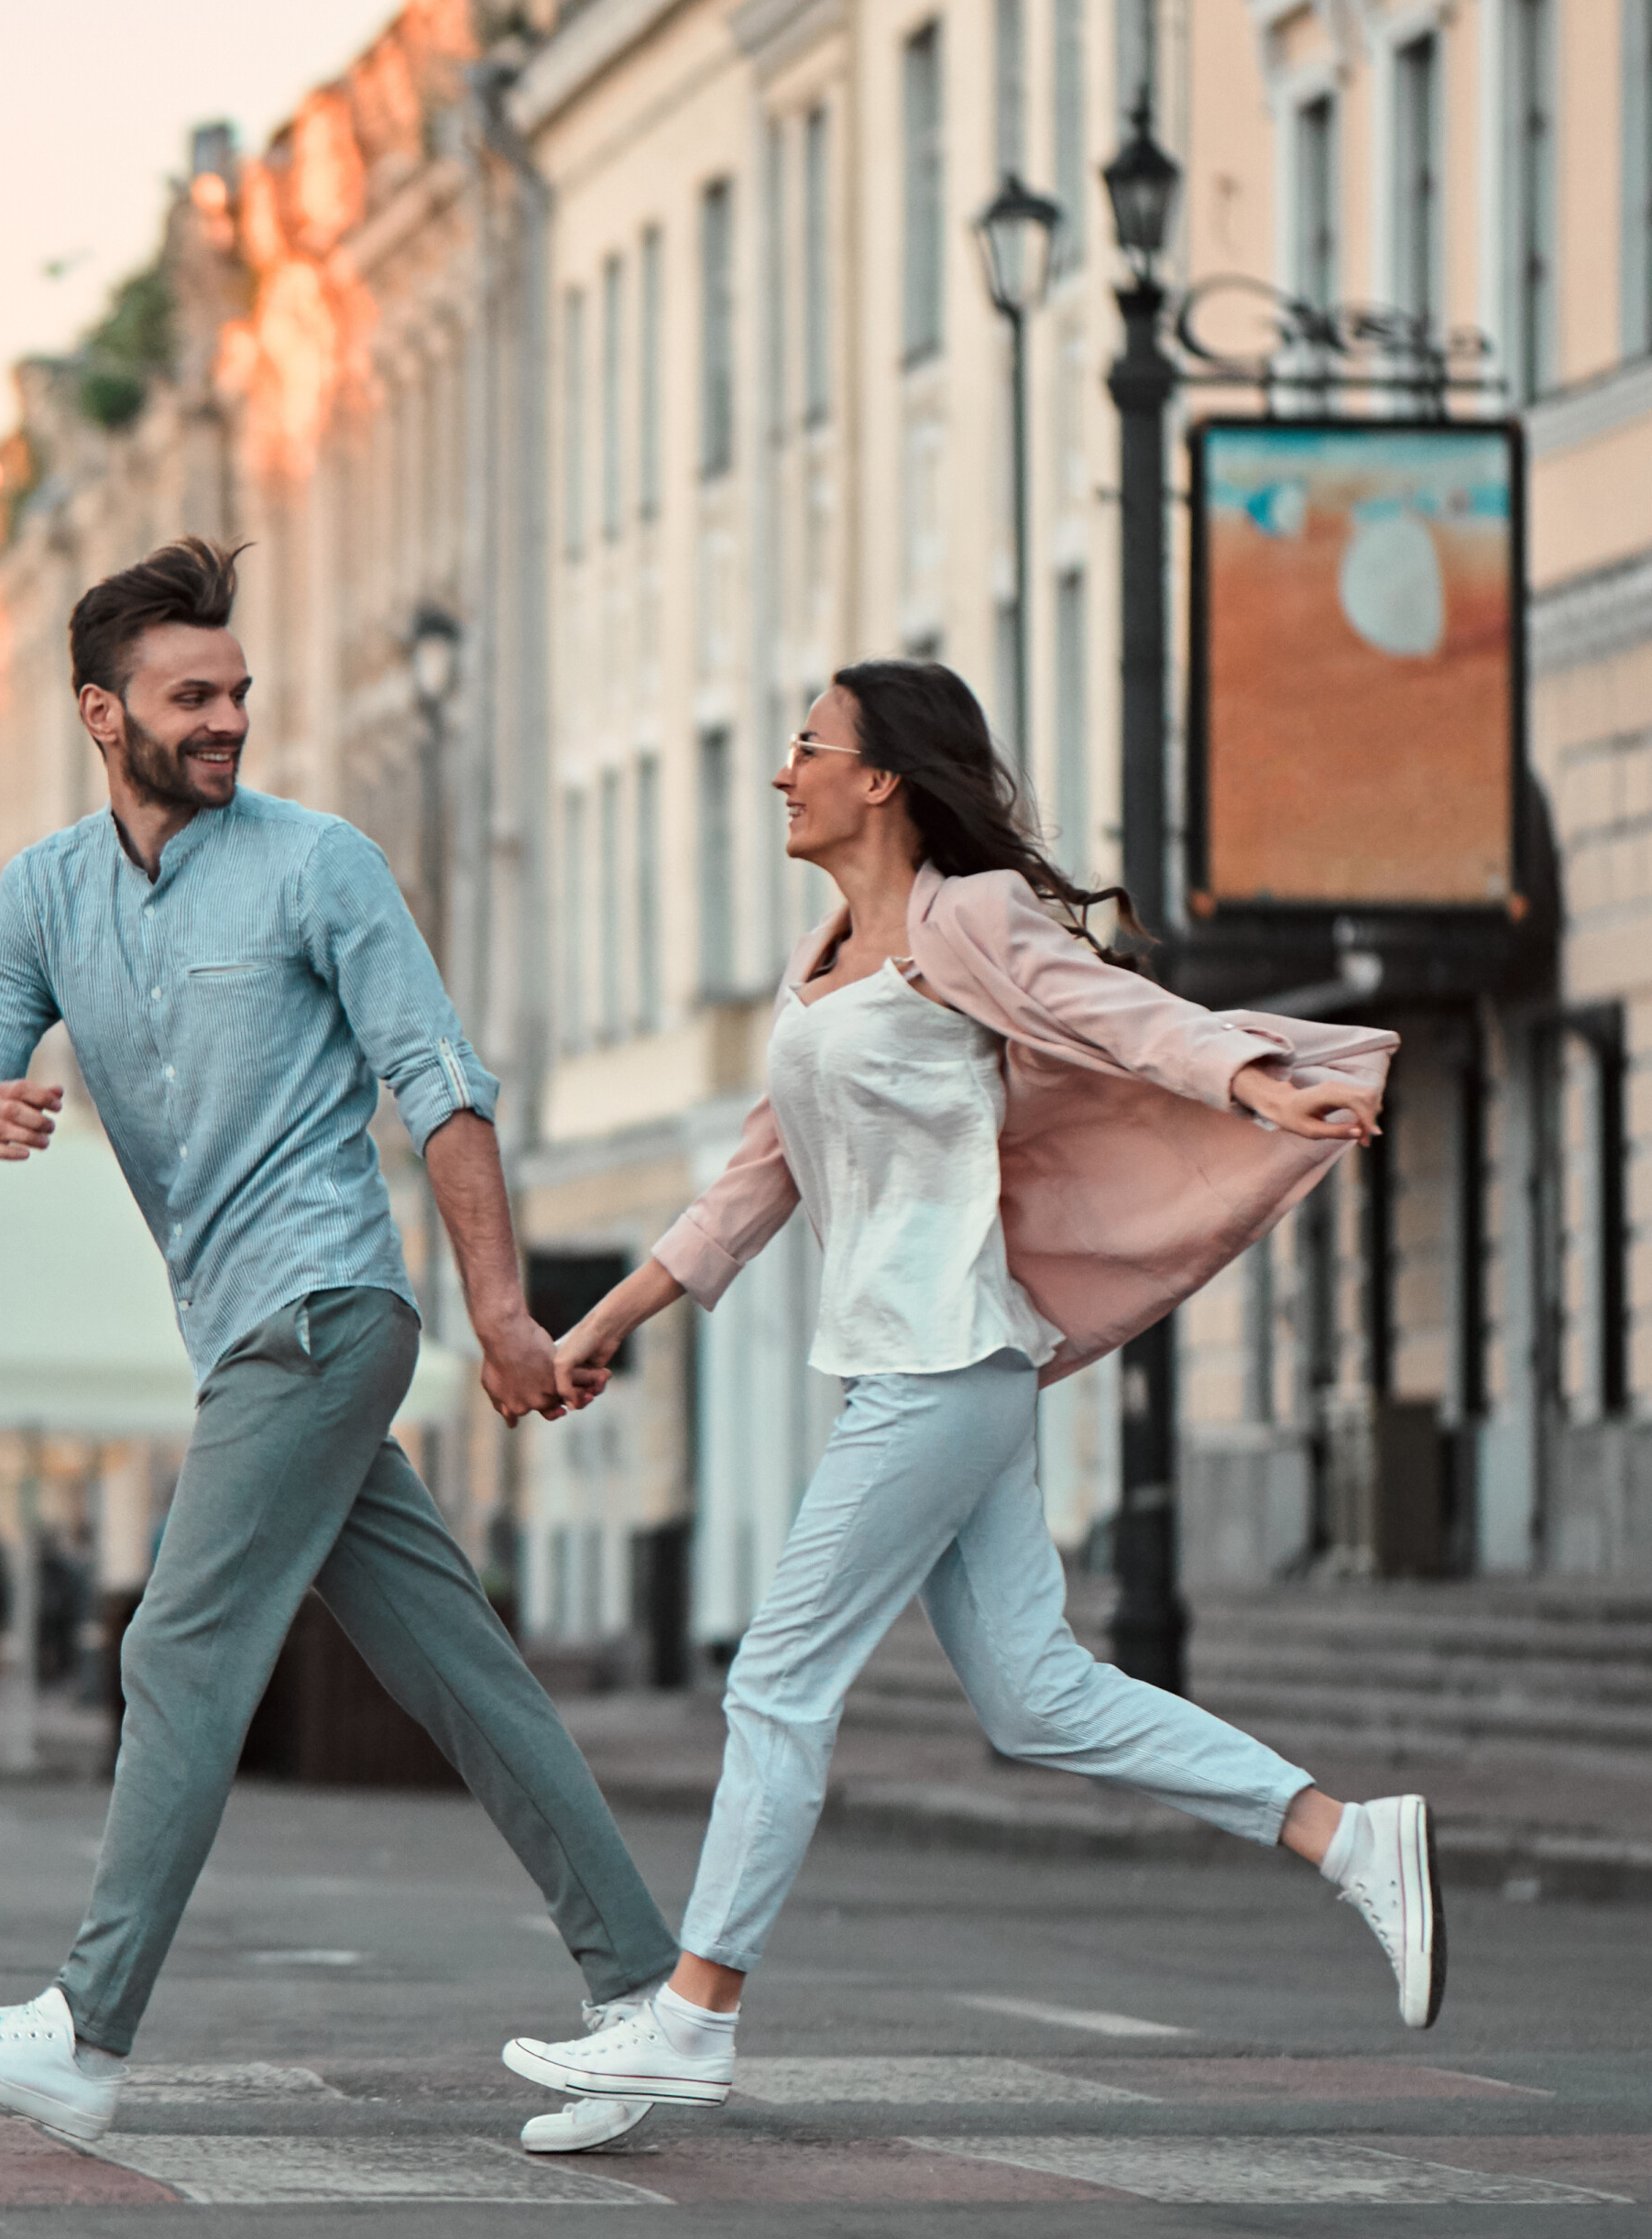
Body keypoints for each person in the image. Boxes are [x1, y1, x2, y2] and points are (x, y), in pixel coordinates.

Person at [505, 659, 1435, 2121]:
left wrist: (1260, 1082)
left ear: (880, 778)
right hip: (922, 1364)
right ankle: (1346, 1837)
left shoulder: (968, 922)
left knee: (776, 1681)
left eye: (806, 746)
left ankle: (690, 2019)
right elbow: (755, 1181)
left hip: (944, 1358)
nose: (780, 772)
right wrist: (602, 1324)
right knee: (1036, 1697)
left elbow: (1126, 1018)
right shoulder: (819, 964)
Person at [0, 536, 681, 2158]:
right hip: (245, 1329)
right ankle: (651, 1997)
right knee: (460, 1670)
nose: (230, 716)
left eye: (240, 689)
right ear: (105, 716)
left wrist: (503, 1313)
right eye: (194, 696)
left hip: (320, 1311)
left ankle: (85, 2034)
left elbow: (440, 1084)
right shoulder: (44, 892)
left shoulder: (321, 865)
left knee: (176, 1646)